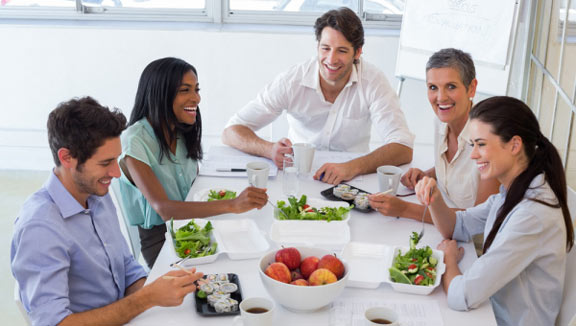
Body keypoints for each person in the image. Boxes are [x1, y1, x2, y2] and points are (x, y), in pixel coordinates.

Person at [10, 97, 203, 326]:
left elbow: (126, 267)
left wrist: (162, 288)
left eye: (116, 160)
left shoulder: (95, 195)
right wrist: (148, 297)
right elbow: (55, 323)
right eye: (105, 163)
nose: (116, 172)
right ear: (67, 157)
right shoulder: (40, 228)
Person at [415, 96, 574, 326]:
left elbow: (462, 295)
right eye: (472, 145)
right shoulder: (513, 189)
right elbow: (457, 226)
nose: (473, 155)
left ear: (514, 145)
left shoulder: (532, 214)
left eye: (481, 144)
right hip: (489, 311)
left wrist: (449, 261)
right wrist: (435, 198)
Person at [221, 7, 414, 185]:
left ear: (358, 52)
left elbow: (403, 146)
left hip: (353, 180)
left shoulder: (373, 81)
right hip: (299, 177)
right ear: (317, 46)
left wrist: (352, 167)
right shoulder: (292, 81)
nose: (331, 59)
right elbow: (230, 132)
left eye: (342, 50)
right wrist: (269, 149)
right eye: (326, 48)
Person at [118, 57, 268, 268]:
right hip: (161, 239)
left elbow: (194, 185)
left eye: (196, 90)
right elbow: (165, 209)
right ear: (161, 93)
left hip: (192, 225)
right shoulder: (135, 140)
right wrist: (232, 205)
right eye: (185, 90)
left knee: (255, 250)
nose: (196, 98)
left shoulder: (181, 129)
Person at [369, 48, 499, 222]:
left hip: (474, 244)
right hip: (445, 227)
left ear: (471, 88)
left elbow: (480, 219)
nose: (441, 97)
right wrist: (428, 174)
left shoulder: (489, 141)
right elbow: (457, 170)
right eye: (433, 87)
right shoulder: (441, 122)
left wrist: (405, 209)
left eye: (451, 87)